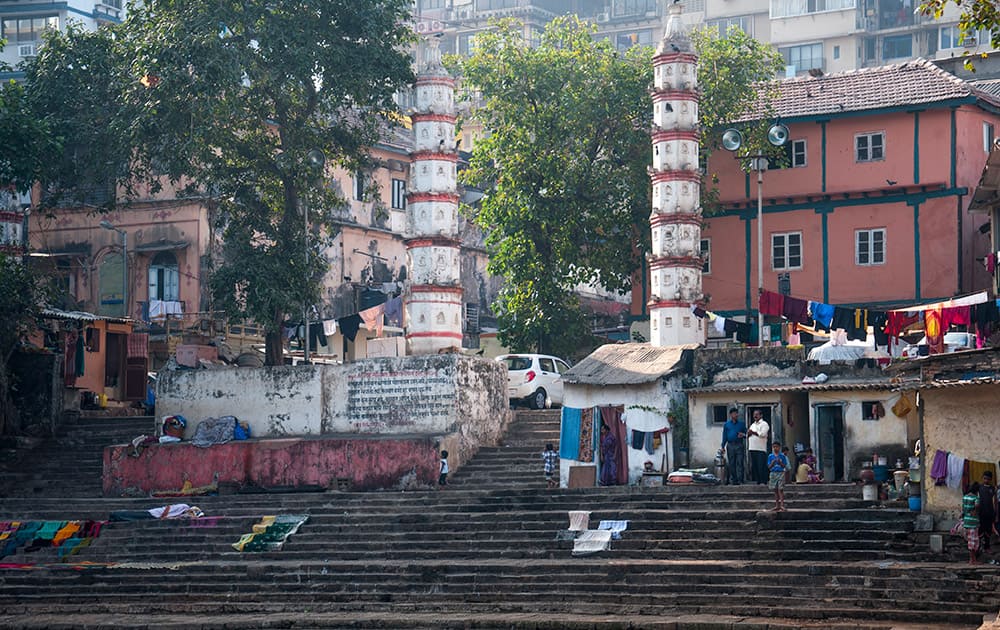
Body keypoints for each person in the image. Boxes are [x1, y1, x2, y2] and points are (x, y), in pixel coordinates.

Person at [720, 407, 747, 485]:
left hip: (739, 444)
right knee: (732, 463)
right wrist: (722, 446)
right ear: (731, 415)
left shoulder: (741, 424)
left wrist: (743, 435)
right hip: (730, 445)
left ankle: (740, 479)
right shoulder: (727, 425)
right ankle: (734, 480)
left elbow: (747, 434)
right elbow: (724, 436)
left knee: (740, 462)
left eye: (736, 413)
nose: (735, 415)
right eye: (734, 413)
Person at [747, 410, 770, 485]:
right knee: (755, 465)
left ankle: (764, 481)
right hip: (752, 448)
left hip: (760, 448)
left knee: (761, 465)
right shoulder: (753, 424)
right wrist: (747, 434)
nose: (755, 416)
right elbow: (749, 434)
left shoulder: (764, 424)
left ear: (761, 415)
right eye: (754, 414)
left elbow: (762, 434)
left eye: (757, 414)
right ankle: (758, 481)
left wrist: (753, 432)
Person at [110, 504, 204, 522]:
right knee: (134, 515)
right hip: (155, 513)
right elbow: (168, 509)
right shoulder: (183, 506)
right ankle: (115, 515)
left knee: (135, 519)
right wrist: (163, 516)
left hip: (156, 517)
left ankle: (117, 517)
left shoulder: (183, 515)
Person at [978, 471, 998, 554]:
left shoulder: (993, 488)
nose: (986, 480)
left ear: (990, 479)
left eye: (988, 479)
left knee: (988, 530)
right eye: (985, 478)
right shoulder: (979, 487)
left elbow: (995, 501)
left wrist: (995, 513)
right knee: (980, 530)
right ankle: (978, 547)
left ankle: (987, 547)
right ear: (982, 478)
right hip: (981, 513)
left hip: (990, 512)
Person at [961, 482, 981, 564]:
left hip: (967, 520)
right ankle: (972, 560)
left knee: (970, 540)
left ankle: (972, 560)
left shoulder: (965, 497)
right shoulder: (976, 498)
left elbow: (963, 509)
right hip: (973, 521)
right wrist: (975, 510)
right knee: (974, 541)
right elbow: (977, 505)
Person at [767, 441, 790, 512]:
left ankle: (782, 505)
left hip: (780, 473)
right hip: (773, 473)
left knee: (781, 489)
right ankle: (777, 505)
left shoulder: (782, 456)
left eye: (776, 447)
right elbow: (769, 467)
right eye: (774, 447)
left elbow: (785, 466)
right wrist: (773, 463)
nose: (775, 448)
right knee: (775, 490)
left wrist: (780, 463)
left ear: (779, 447)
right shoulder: (770, 456)